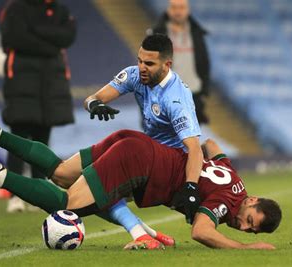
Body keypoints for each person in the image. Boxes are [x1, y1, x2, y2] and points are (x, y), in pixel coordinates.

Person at [0, 118, 282, 250]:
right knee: (66, 204)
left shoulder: (235, 181)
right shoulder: (227, 202)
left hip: (135, 143)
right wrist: (245, 248)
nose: (243, 226)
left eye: (250, 231)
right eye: (250, 221)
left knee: (59, 172)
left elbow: (211, 145)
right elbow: (200, 231)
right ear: (252, 202)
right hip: (137, 165)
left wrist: (192, 174)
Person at [84, 34, 204, 247]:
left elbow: (194, 148)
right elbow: (93, 98)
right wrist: (94, 105)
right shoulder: (134, 76)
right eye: (140, 60)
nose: (141, 67)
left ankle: (142, 235)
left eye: (149, 63)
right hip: (147, 153)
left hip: (168, 165)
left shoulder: (176, 98)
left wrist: (191, 187)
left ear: (167, 65)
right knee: (71, 180)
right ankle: (149, 234)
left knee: (85, 191)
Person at [0, 0, 76, 212]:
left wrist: (35, 30)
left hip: (50, 83)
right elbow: (16, 38)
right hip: (23, 82)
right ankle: (14, 195)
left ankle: (38, 192)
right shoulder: (16, 8)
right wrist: (51, 44)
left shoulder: (60, 9)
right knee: (18, 139)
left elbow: (68, 36)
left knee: (43, 138)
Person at [147, 0, 210, 124]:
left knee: (191, 139)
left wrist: (204, 92)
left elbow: (204, 63)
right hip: (167, 94)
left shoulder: (197, 33)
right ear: (168, 10)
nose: (178, 11)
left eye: (181, 7)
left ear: (188, 10)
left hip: (193, 94)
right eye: (174, 7)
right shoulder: (157, 34)